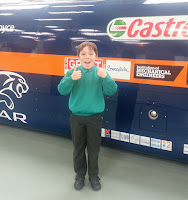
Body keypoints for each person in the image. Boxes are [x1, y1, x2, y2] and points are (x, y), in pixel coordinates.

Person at [58, 42, 117, 191]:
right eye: (83, 54)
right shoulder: (73, 72)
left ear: (96, 56)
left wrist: (106, 78)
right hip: (77, 117)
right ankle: (79, 176)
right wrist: (71, 79)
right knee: (78, 149)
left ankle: (93, 176)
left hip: (94, 118)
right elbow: (62, 90)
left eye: (91, 54)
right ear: (78, 57)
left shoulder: (100, 72)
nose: (87, 57)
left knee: (93, 149)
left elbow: (111, 90)